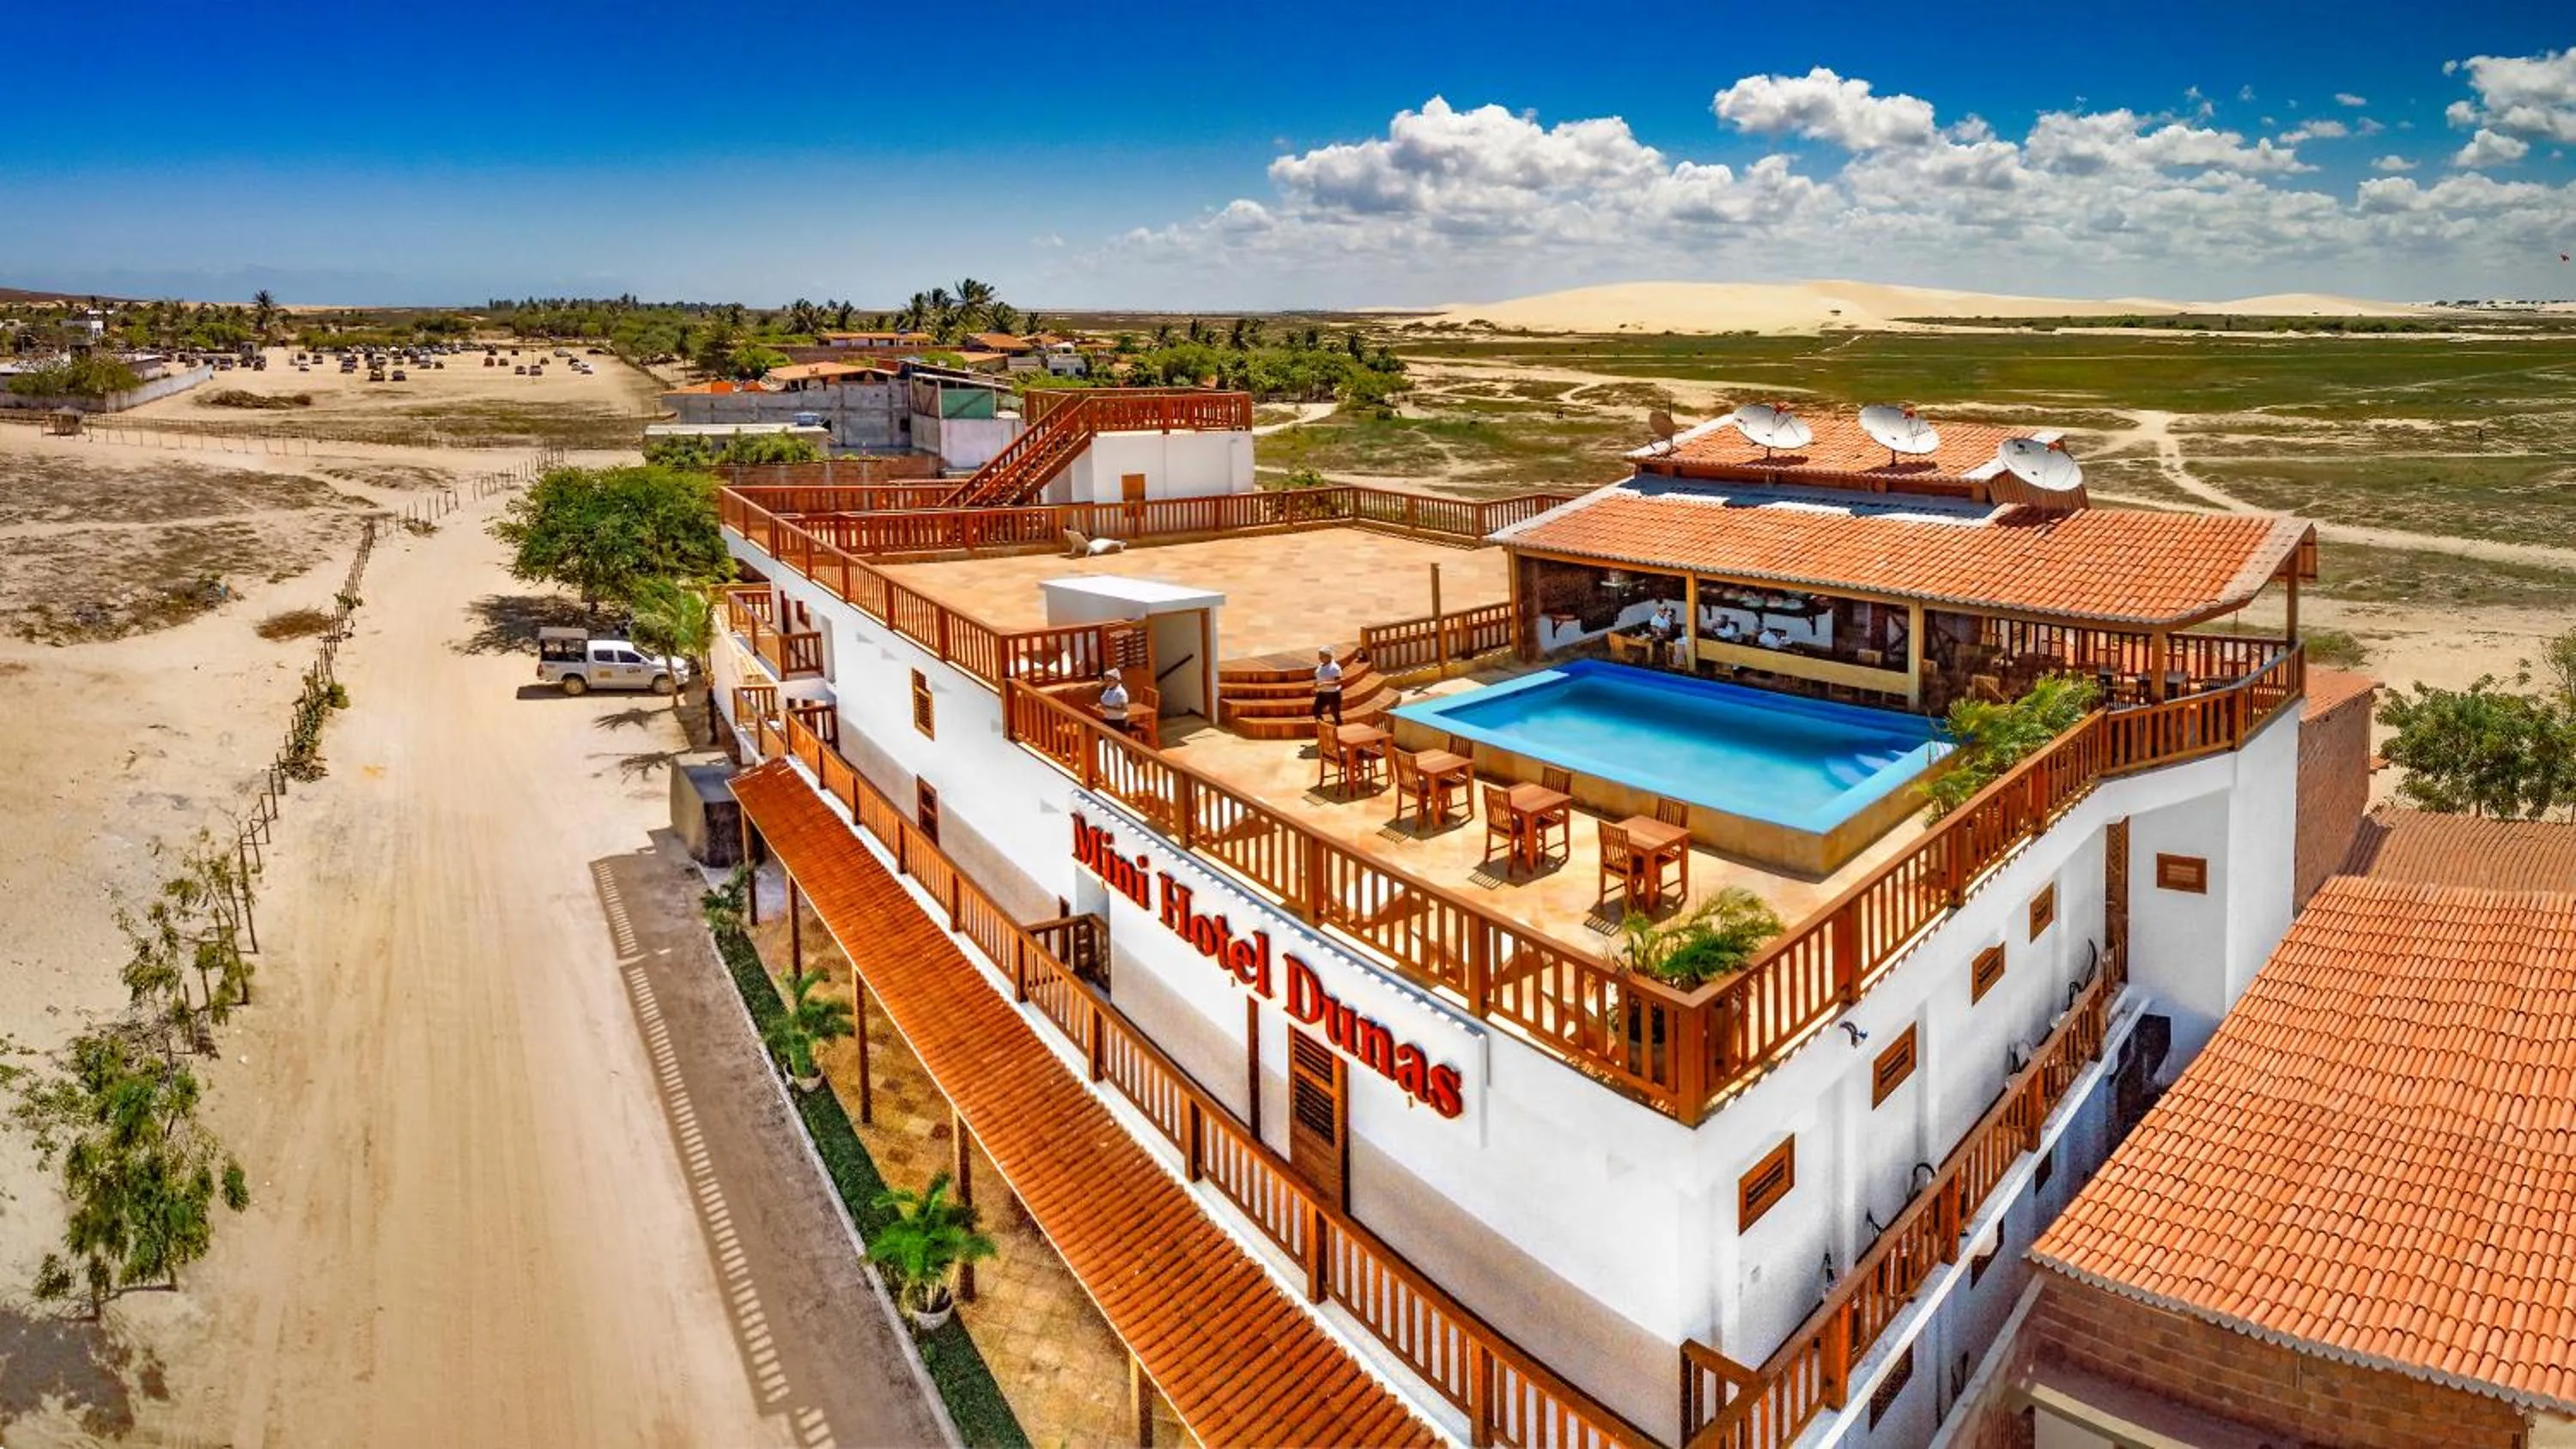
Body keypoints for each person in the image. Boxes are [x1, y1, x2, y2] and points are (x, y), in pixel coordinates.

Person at [1098, 670, 1137, 737]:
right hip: (1108, 719)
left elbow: (1124, 709)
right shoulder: (1108, 689)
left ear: (1116, 680)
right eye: (1106, 680)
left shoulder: (1121, 693)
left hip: (1118, 722)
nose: (1107, 683)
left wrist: (1106, 707)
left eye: (1110, 680)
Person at [1313, 647, 1344, 724]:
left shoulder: (1335, 668)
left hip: (1333, 694)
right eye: (1319, 655)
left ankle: (1340, 730)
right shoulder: (1321, 665)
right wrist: (1315, 685)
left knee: (1335, 713)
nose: (1319, 658)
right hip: (1322, 693)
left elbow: (1338, 682)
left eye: (1322, 656)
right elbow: (1319, 677)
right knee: (1316, 710)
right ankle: (1324, 727)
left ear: (1328, 656)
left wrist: (1324, 684)